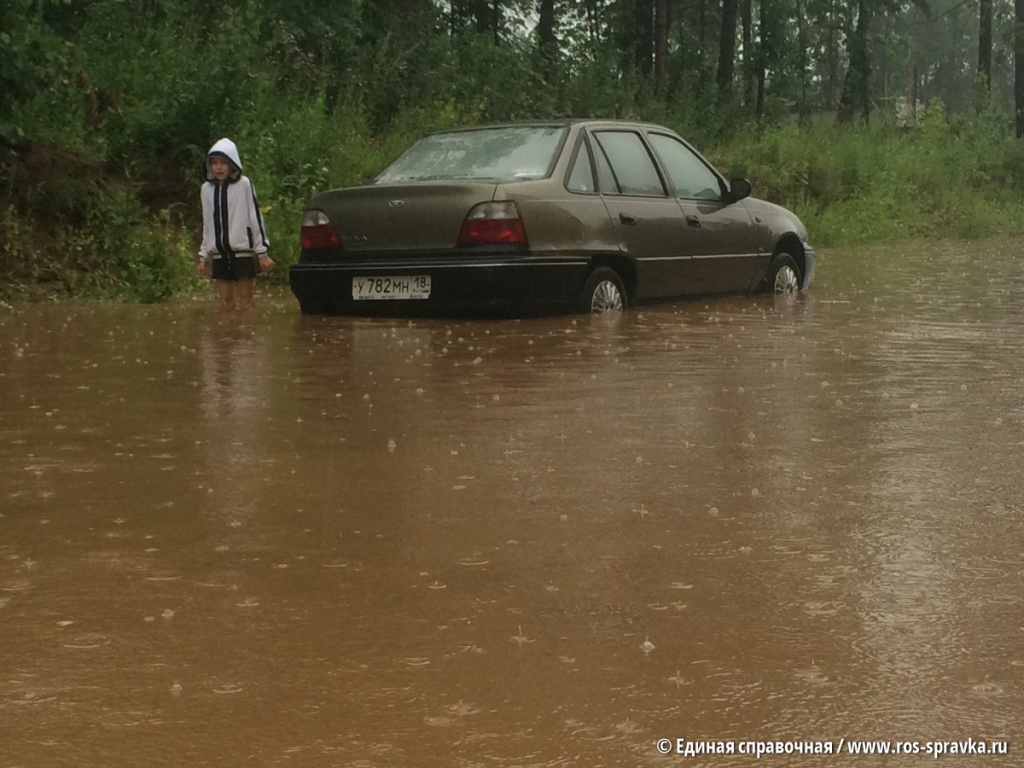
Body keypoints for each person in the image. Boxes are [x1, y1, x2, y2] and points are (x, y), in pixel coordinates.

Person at [197, 138, 274, 311]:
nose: (218, 167)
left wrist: (262, 252)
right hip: (219, 254)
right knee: (225, 303)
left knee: (247, 303)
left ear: (232, 164)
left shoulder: (244, 184)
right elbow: (207, 224)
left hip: (242, 252)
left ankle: (247, 337)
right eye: (214, 163)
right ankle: (228, 337)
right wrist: (204, 256)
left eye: (223, 163)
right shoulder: (206, 190)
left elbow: (255, 217)